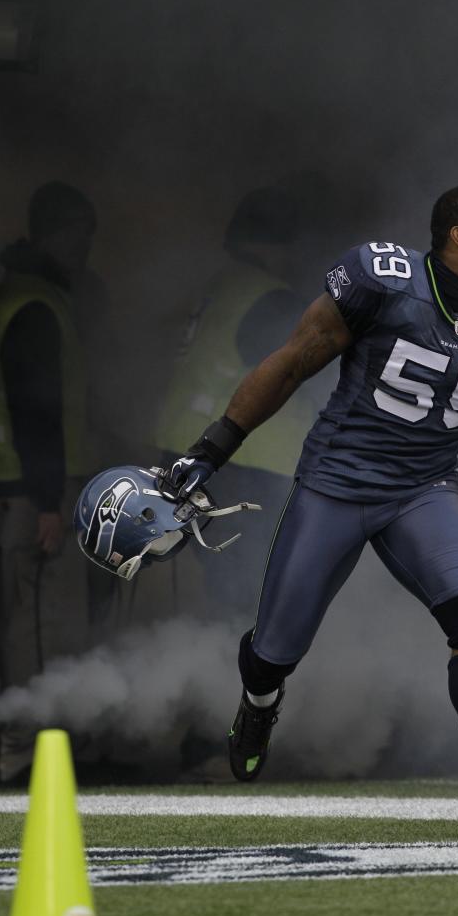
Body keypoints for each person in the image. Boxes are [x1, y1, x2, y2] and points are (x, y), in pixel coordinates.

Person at [163, 184, 458, 837]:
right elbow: (290, 365)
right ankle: (258, 700)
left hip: (424, 490)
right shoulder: (384, 283)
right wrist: (211, 449)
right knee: (276, 646)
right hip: (335, 485)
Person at [0, 181, 101, 782]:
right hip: (35, 496)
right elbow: (36, 409)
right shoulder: (36, 305)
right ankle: (27, 752)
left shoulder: (16, 296)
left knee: (31, 620)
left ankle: (27, 746)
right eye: (82, 238)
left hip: (14, 491)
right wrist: (51, 502)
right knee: (43, 625)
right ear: (60, 234)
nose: (86, 252)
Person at [153, 186, 315, 620]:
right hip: (244, 466)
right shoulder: (272, 300)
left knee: (227, 585)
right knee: (249, 594)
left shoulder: (223, 287)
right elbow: (303, 376)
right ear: (279, 244)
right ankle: (237, 676)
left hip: (194, 454)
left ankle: (215, 669)